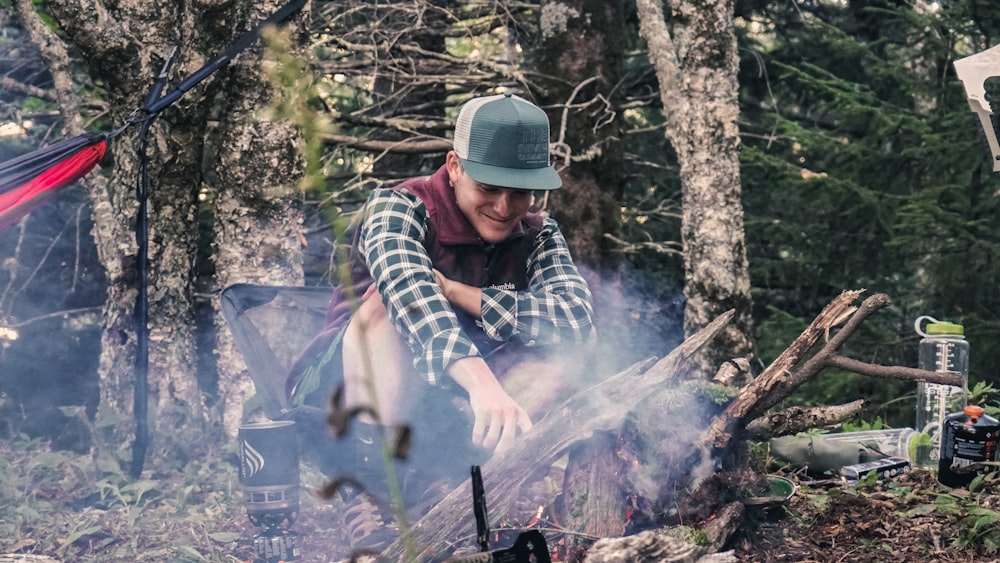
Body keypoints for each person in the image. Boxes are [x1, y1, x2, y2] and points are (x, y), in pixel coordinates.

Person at [286, 92, 595, 552]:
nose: (506, 207)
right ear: (454, 166)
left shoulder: (539, 232)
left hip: (443, 407)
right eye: (489, 188)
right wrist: (481, 382)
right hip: (339, 398)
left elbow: (574, 319)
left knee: (577, 343)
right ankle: (370, 489)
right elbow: (410, 293)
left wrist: (459, 293)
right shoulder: (398, 207)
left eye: (521, 192)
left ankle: (463, 479)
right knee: (383, 306)